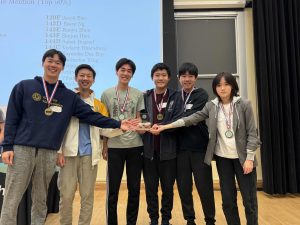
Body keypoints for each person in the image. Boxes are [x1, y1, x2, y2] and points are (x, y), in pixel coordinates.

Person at [0, 49, 137, 225]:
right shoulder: (24, 86)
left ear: (62, 67)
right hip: (22, 149)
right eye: (50, 61)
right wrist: (7, 146)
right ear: (43, 63)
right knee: (12, 197)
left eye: (58, 63)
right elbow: (12, 118)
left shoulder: (68, 97)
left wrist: (119, 124)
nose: (53, 65)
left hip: (48, 152)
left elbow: (92, 116)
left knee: (41, 199)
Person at [151, 72, 261, 225]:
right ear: (215, 88)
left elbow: (253, 134)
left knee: (249, 201)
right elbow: (190, 119)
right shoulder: (211, 106)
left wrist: (249, 158)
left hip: (244, 160)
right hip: (223, 160)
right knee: (228, 201)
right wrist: (165, 126)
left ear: (232, 86)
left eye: (226, 84)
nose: (222, 88)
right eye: (218, 85)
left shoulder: (244, 104)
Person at [56, 64, 122, 225]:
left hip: (89, 156)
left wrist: (123, 128)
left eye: (88, 76)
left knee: (87, 197)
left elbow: (104, 129)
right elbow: (57, 127)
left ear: (93, 80)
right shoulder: (65, 100)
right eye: (82, 75)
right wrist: (58, 151)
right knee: (66, 196)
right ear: (76, 78)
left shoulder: (98, 104)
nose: (85, 79)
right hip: (68, 155)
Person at [101, 58, 144, 225]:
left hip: (135, 146)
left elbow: (139, 117)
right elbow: (104, 121)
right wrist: (105, 145)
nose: (125, 73)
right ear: (116, 72)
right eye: (122, 70)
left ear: (132, 74)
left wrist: (140, 125)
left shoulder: (138, 94)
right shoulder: (106, 94)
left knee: (134, 190)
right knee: (113, 191)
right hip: (114, 147)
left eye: (129, 71)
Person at [142, 63, 183, 225]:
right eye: (157, 75)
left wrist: (163, 128)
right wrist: (147, 127)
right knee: (151, 189)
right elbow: (142, 118)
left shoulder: (176, 96)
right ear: (152, 77)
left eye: (164, 75)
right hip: (148, 151)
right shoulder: (145, 96)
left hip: (169, 151)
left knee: (167, 188)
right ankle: (153, 219)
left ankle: (166, 219)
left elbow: (179, 120)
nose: (160, 78)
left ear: (169, 78)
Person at [176, 62, 215, 225]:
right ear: (179, 78)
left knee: (204, 186)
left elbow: (193, 115)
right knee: (184, 188)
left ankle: (209, 220)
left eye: (190, 76)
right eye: (184, 76)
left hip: (200, 148)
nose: (187, 79)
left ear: (196, 78)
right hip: (180, 149)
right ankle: (189, 219)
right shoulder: (175, 97)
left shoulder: (201, 94)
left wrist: (177, 118)